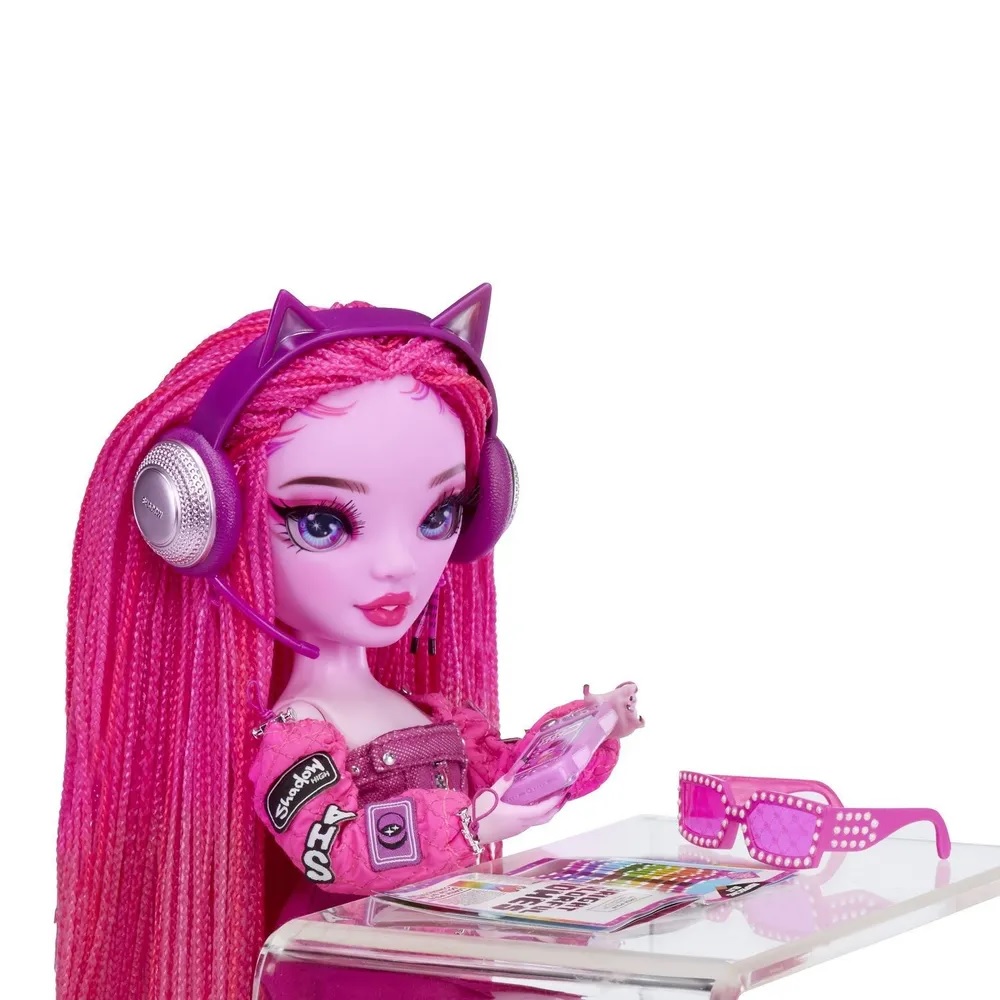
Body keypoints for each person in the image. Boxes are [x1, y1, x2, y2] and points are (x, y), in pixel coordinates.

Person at [57, 285, 643, 1000]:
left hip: (434, 958)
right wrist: (475, 823)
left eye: (439, 514)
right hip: (348, 968)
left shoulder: (424, 711)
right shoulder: (297, 730)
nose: (397, 565)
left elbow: (504, 769)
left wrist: (587, 730)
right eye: (323, 522)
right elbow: (331, 847)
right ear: (207, 521)